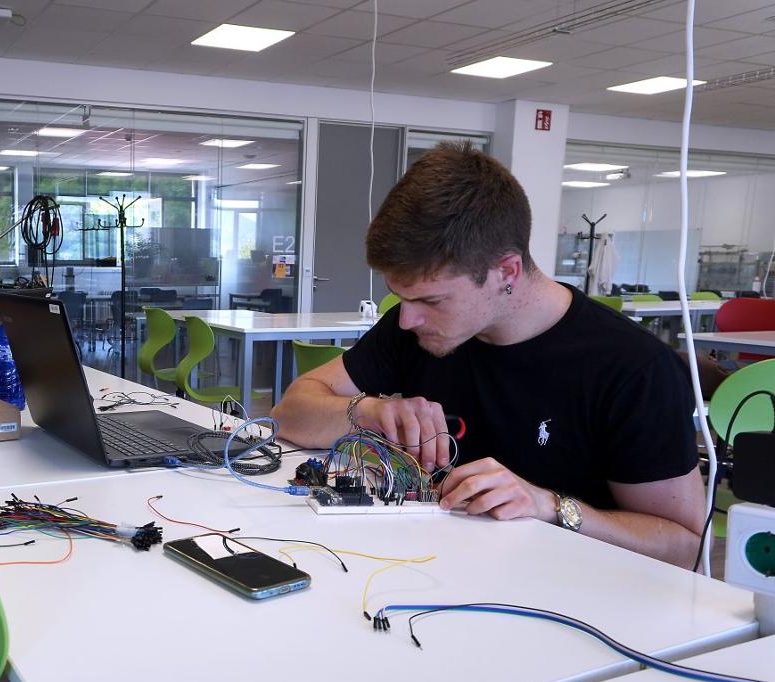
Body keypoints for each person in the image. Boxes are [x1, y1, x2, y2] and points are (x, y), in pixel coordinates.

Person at [271, 143, 705, 569]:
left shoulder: (634, 368)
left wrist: (549, 506)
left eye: (432, 299)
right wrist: (366, 412)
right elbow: (289, 413)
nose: (406, 319)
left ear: (506, 272)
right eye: (399, 297)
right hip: (430, 573)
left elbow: (683, 546)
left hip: (568, 598)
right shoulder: (415, 330)